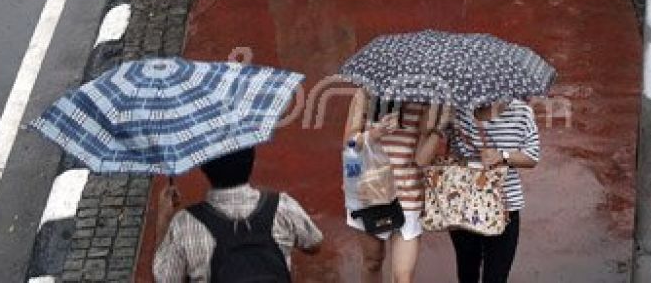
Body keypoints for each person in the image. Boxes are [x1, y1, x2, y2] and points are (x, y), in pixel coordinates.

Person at [153, 148, 323, 282]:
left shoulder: (185, 223)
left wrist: (163, 217)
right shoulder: (281, 206)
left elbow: (165, 278)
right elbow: (314, 244)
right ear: (251, 161)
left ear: (204, 168)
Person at [416, 100, 540, 283]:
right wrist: (441, 122)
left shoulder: (521, 112)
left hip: (505, 208)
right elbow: (422, 157)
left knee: (496, 277)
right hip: (462, 206)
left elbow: (532, 156)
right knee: (467, 274)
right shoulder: (457, 109)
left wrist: (502, 156)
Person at [343, 89, 429, 283]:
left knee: (403, 277)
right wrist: (374, 133)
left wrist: (436, 122)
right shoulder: (364, 93)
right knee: (372, 262)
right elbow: (348, 144)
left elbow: (423, 155)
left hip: (408, 194)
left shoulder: (426, 98)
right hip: (371, 192)